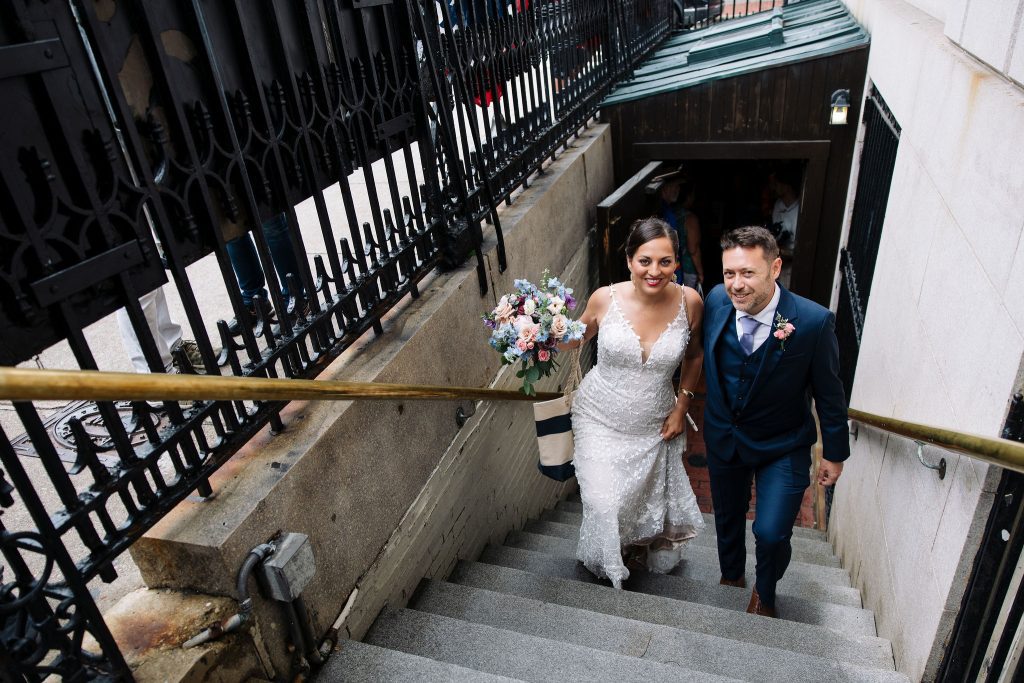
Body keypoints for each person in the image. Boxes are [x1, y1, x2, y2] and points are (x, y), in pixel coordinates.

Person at [702, 226, 848, 617]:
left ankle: (765, 594)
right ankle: (731, 575)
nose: (736, 284)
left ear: (775, 267)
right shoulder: (715, 301)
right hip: (724, 436)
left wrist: (834, 453)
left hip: (782, 443)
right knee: (727, 514)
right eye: (729, 273)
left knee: (770, 532)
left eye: (748, 273)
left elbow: (830, 395)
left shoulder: (814, 323)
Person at [566, 217, 705, 588]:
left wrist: (681, 408)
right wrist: (537, 332)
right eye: (645, 260)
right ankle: (608, 564)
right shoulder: (603, 298)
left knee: (633, 495)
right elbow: (573, 339)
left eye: (665, 261)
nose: (654, 271)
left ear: (677, 263)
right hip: (598, 415)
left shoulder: (690, 302)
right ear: (629, 260)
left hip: (654, 422)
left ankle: (631, 545)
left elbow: (694, 357)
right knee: (603, 500)